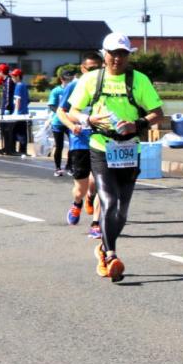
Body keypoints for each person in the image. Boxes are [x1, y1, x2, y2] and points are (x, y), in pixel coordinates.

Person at [65, 33, 164, 281]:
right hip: (101, 146)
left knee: (122, 211)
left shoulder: (139, 80)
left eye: (122, 53)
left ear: (128, 55)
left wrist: (137, 123)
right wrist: (88, 119)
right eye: (113, 53)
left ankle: (102, 248)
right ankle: (111, 255)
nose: (117, 59)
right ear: (104, 54)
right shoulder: (91, 80)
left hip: (130, 149)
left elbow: (157, 113)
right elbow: (72, 111)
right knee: (108, 202)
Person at [57, 52, 104, 237]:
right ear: (83, 69)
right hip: (80, 142)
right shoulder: (75, 86)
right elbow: (61, 112)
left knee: (101, 183)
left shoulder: (105, 86)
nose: (94, 72)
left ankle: (96, 224)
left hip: (101, 141)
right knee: (80, 189)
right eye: (90, 69)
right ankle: (78, 203)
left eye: (98, 69)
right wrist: (71, 125)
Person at [48, 69, 76, 176]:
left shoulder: (74, 90)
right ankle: (57, 167)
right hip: (58, 122)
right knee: (59, 146)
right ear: (61, 79)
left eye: (70, 80)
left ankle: (69, 166)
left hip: (71, 121)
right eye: (66, 80)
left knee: (73, 145)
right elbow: (52, 105)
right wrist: (61, 114)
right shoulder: (56, 91)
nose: (68, 82)